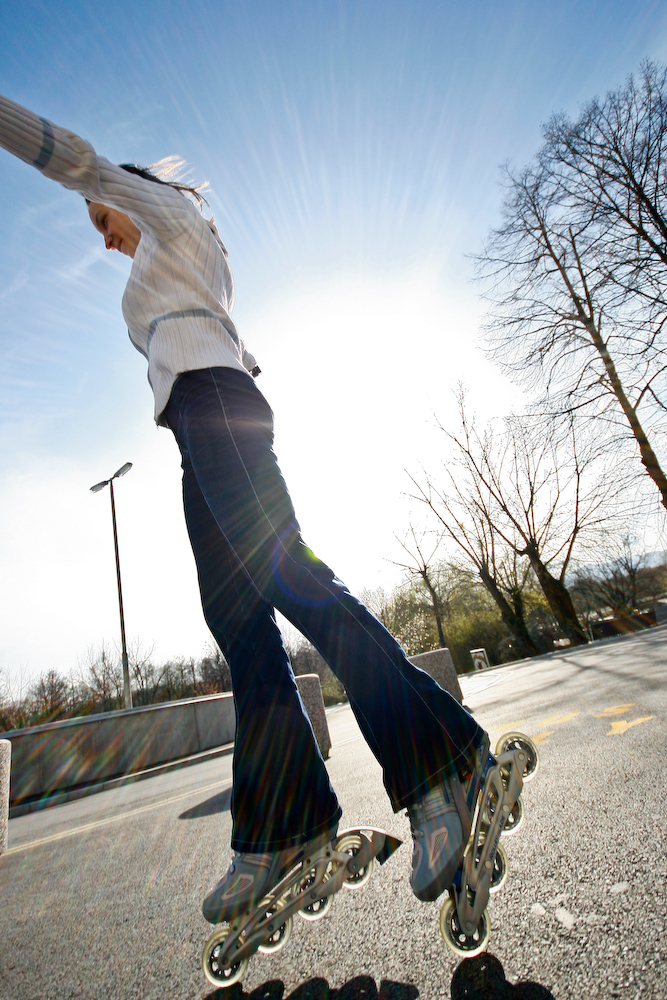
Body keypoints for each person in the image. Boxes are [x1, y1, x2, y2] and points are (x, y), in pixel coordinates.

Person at [0, 94, 493, 922]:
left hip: (217, 405)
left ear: (129, 193)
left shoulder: (174, 223)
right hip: (196, 429)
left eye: (103, 217)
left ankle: (441, 764)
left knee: (295, 581)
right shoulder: (160, 271)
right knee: (238, 629)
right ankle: (284, 825)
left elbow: (81, 161)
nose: (106, 236)